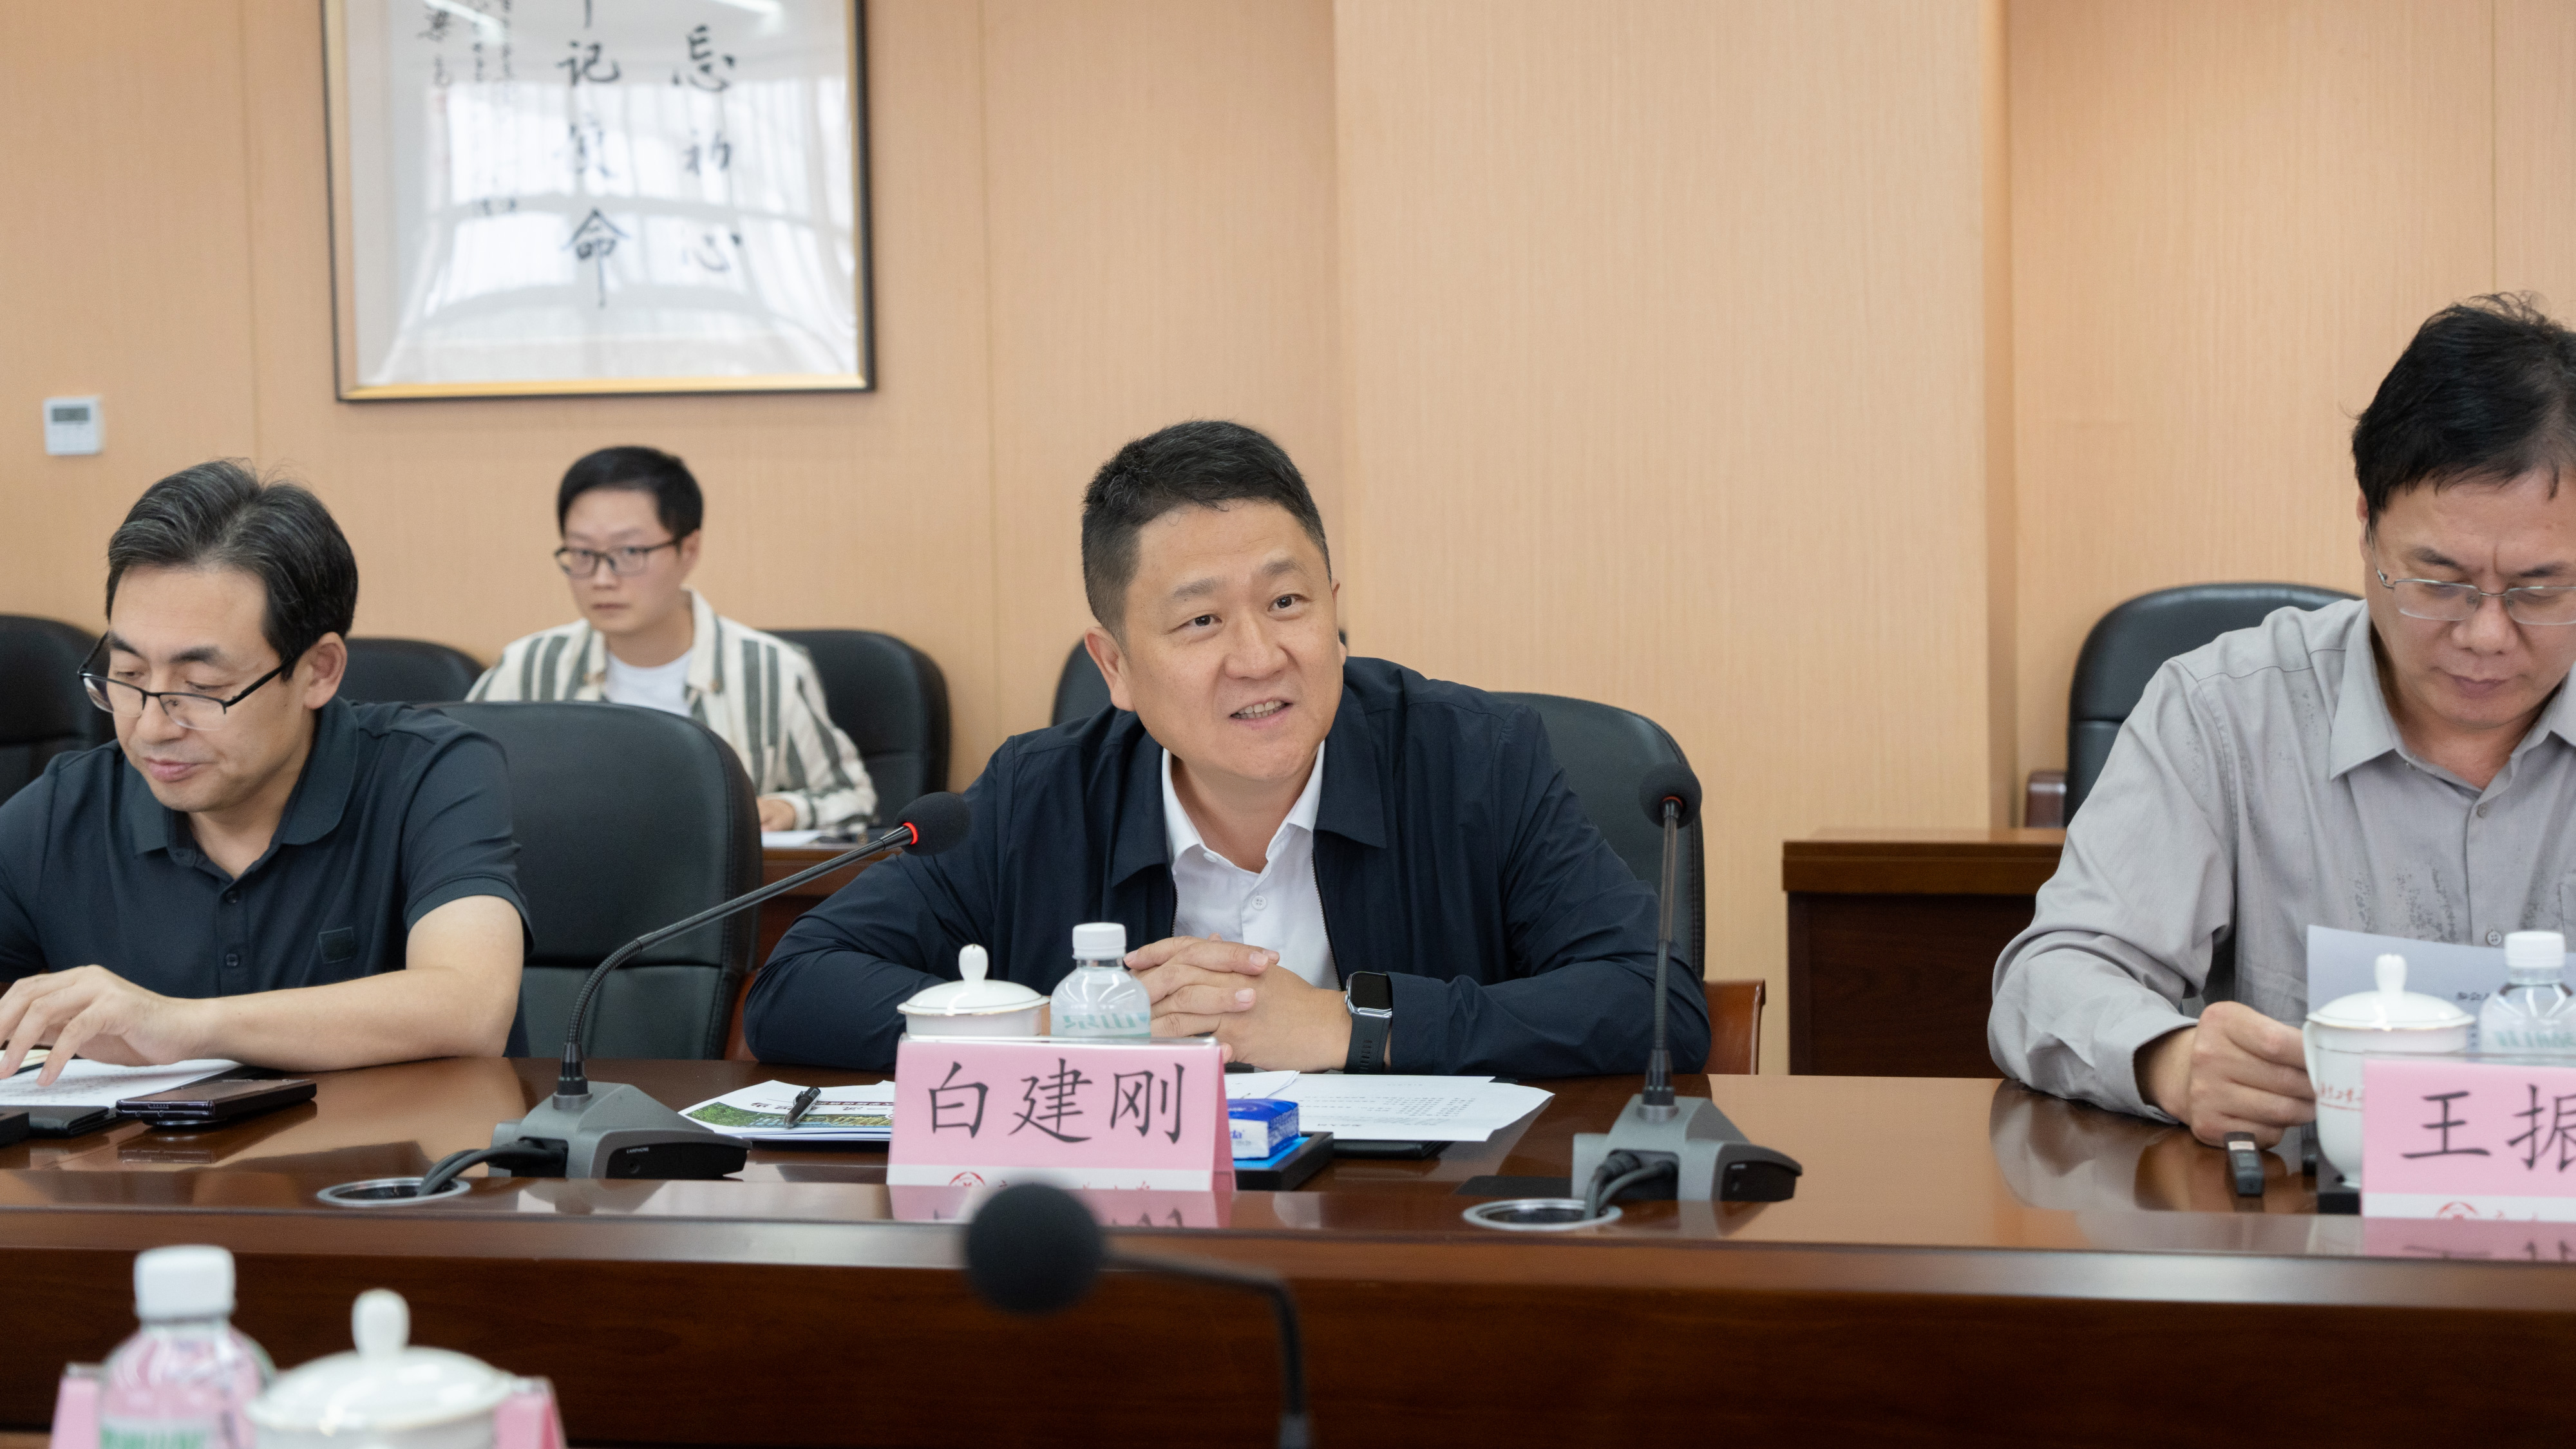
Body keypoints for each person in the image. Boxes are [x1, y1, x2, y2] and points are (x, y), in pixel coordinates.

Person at [746, 419, 1702, 1076]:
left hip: (1407, 1237)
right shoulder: (1038, 795)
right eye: (1200, 620)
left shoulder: (1476, 761)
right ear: (1115, 666)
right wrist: (1062, 1027)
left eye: (1287, 602)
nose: (1259, 656)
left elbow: (1652, 1001)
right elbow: (798, 985)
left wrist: (1350, 1026)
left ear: (1335, 613)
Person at [1992, 294, 2576, 1146]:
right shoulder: (2223, 712)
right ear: (2367, 528)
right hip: (2291, 1218)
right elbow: (2050, 979)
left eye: (2539, 589)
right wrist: (2171, 1059)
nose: (2486, 634)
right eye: (2439, 582)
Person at [0, 462, 529, 1083]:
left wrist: (178, 1025)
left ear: (319, 671)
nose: (151, 727)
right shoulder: (61, 813)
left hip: (409, 1149)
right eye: (129, 675)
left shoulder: (430, 773)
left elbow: (470, 1007)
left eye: (201, 687)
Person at [468, 446, 875, 831]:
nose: (602, 579)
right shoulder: (528, 667)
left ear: (689, 549)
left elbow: (854, 800)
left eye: (630, 552)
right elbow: (452, 786)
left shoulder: (770, 671)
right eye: (582, 553)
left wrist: (789, 809)